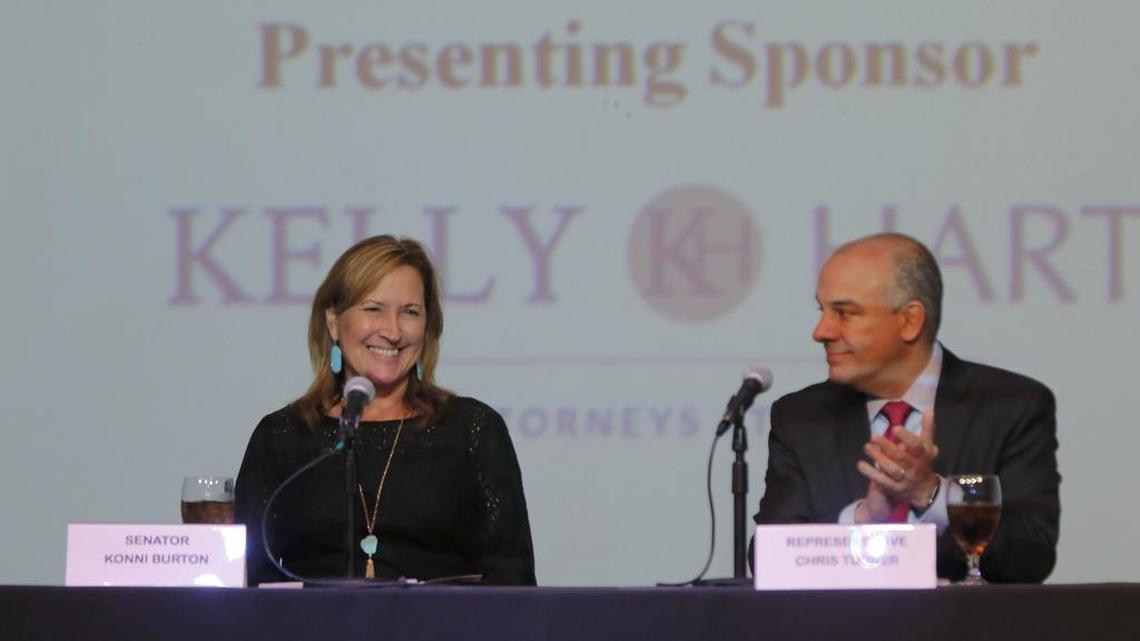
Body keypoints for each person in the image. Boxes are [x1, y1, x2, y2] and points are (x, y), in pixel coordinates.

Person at [754, 233, 1060, 582]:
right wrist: (864, 521)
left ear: (909, 321)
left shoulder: (1010, 406)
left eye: (844, 312)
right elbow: (768, 559)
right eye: (822, 311)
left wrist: (930, 493)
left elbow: (1031, 556)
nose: (821, 331)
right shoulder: (803, 418)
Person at [235, 235, 536, 586]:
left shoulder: (473, 429)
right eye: (373, 308)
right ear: (333, 321)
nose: (392, 331)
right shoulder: (282, 435)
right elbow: (248, 583)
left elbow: (513, 584)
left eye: (409, 312)